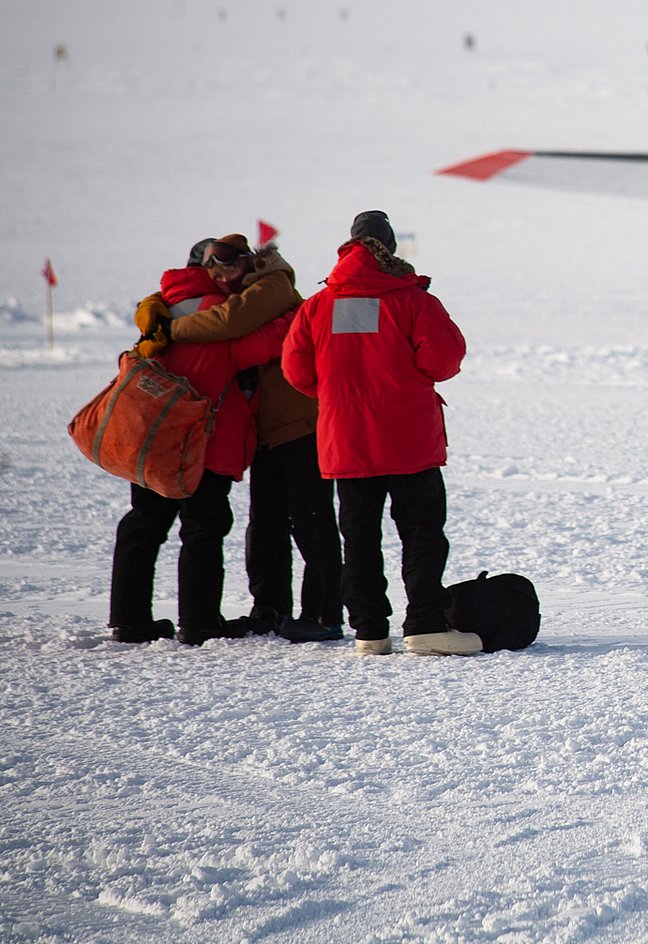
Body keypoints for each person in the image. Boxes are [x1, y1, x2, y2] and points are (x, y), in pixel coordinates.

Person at [281, 211, 481, 657]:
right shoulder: (411, 300)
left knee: (359, 537)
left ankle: (370, 632)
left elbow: (296, 372)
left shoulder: (317, 306)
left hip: (346, 442)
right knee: (422, 534)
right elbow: (443, 363)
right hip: (408, 440)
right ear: (389, 247)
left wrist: (338, 396)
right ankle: (426, 624)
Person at [162, 235, 343, 642]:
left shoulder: (271, 285)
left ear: (250, 262)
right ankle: (271, 608)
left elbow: (229, 324)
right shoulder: (242, 291)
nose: (223, 277)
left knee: (310, 520)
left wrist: (170, 328)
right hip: (265, 428)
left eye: (230, 268)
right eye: (215, 271)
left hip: (299, 423)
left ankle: (323, 614)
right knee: (266, 524)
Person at [110, 239, 291, 645]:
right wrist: (286, 307)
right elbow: (257, 347)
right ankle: (200, 620)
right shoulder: (215, 311)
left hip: (152, 437)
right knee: (202, 528)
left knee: (144, 523)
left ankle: (129, 620)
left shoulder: (158, 308)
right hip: (201, 443)